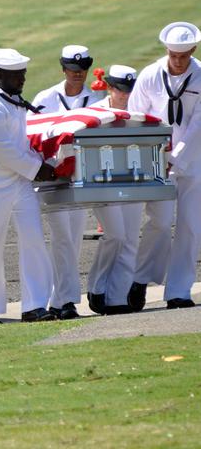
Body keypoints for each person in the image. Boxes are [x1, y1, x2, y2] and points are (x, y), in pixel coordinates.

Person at [0, 48, 58, 324]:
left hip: (18, 181)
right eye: (16, 76)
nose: (22, 80)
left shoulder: (5, 93)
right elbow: (5, 153)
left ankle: (35, 305)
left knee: (33, 239)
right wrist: (39, 169)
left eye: (23, 74)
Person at [128, 21, 201, 310]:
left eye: (184, 56)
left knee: (190, 225)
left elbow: (198, 125)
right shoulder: (150, 75)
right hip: (155, 160)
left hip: (194, 160)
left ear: (193, 51)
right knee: (157, 222)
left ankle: (179, 290)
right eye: (174, 56)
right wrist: (150, 156)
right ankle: (139, 279)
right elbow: (135, 116)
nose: (178, 62)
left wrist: (177, 156)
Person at [31, 45, 105, 320]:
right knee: (62, 238)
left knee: (72, 240)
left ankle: (59, 299)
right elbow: (33, 135)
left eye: (82, 70)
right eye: (73, 70)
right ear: (63, 69)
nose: (78, 75)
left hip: (82, 177)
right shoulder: (46, 97)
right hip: (53, 178)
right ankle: (65, 301)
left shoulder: (97, 96)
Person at [87, 65, 143, 315]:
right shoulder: (94, 113)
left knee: (130, 240)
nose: (126, 95)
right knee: (116, 235)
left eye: (129, 90)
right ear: (110, 88)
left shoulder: (140, 110)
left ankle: (117, 297)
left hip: (133, 179)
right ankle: (96, 287)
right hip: (102, 182)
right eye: (121, 90)